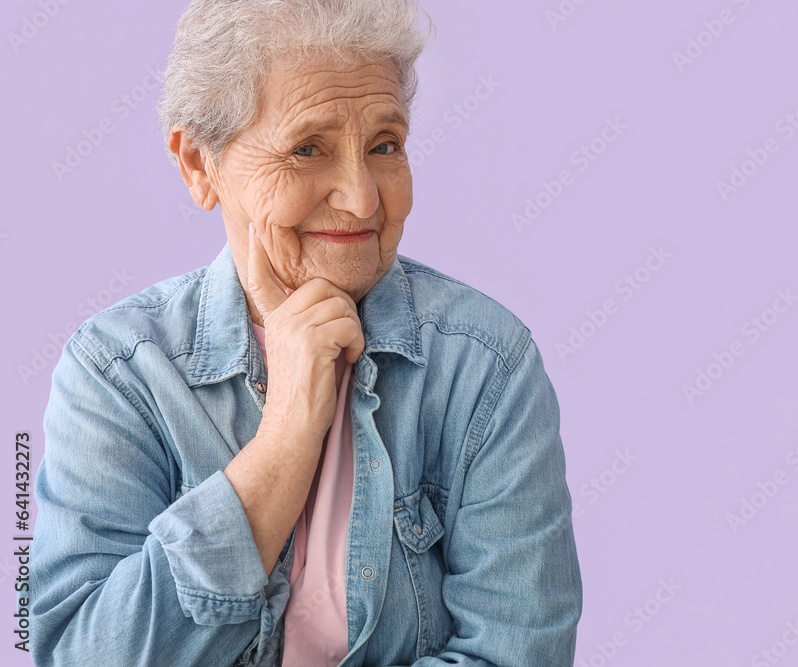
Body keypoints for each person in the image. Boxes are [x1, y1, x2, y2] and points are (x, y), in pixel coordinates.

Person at [29, 1, 583, 665]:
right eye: (308, 148)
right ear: (199, 165)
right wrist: (287, 434)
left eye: (385, 145)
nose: (362, 197)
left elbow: (516, 652)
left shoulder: (486, 365)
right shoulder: (117, 370)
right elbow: (79, 653)